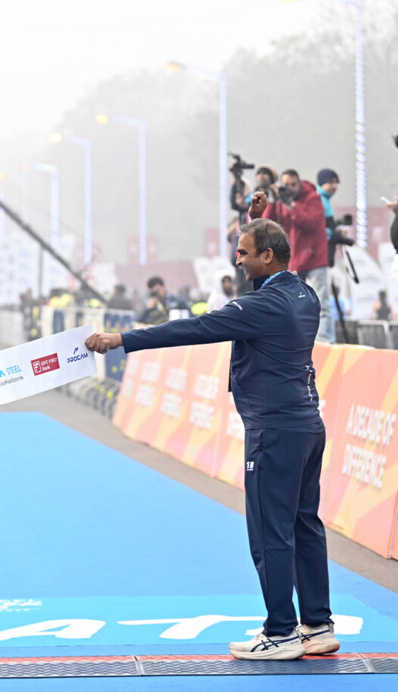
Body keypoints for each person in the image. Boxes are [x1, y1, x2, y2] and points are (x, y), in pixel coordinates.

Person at [86, 192, 337, 661]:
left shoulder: (262, 307)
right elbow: (262, 270)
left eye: (244, 252)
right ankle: (317, 625)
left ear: (267, 256)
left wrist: (122, 339)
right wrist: (253, 221)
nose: (237, 259)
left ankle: (281, 632)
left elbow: (193, 328)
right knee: (305, 524)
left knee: (270, 532)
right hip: (307, 423)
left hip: (273, 431)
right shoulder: (304, 294)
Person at [255, 169, 332, 342]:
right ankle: (299, 339)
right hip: (295, 259)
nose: (290, 188)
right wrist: (272, 201)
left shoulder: (312, 198)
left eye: (293, 184)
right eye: (286, 185)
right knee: (295, 304)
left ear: (299, 183)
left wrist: (291, 205)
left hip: (315, 258)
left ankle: (325, 339)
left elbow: (310, 223)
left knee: (320, 301)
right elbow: (266, 223)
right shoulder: (282, 201)